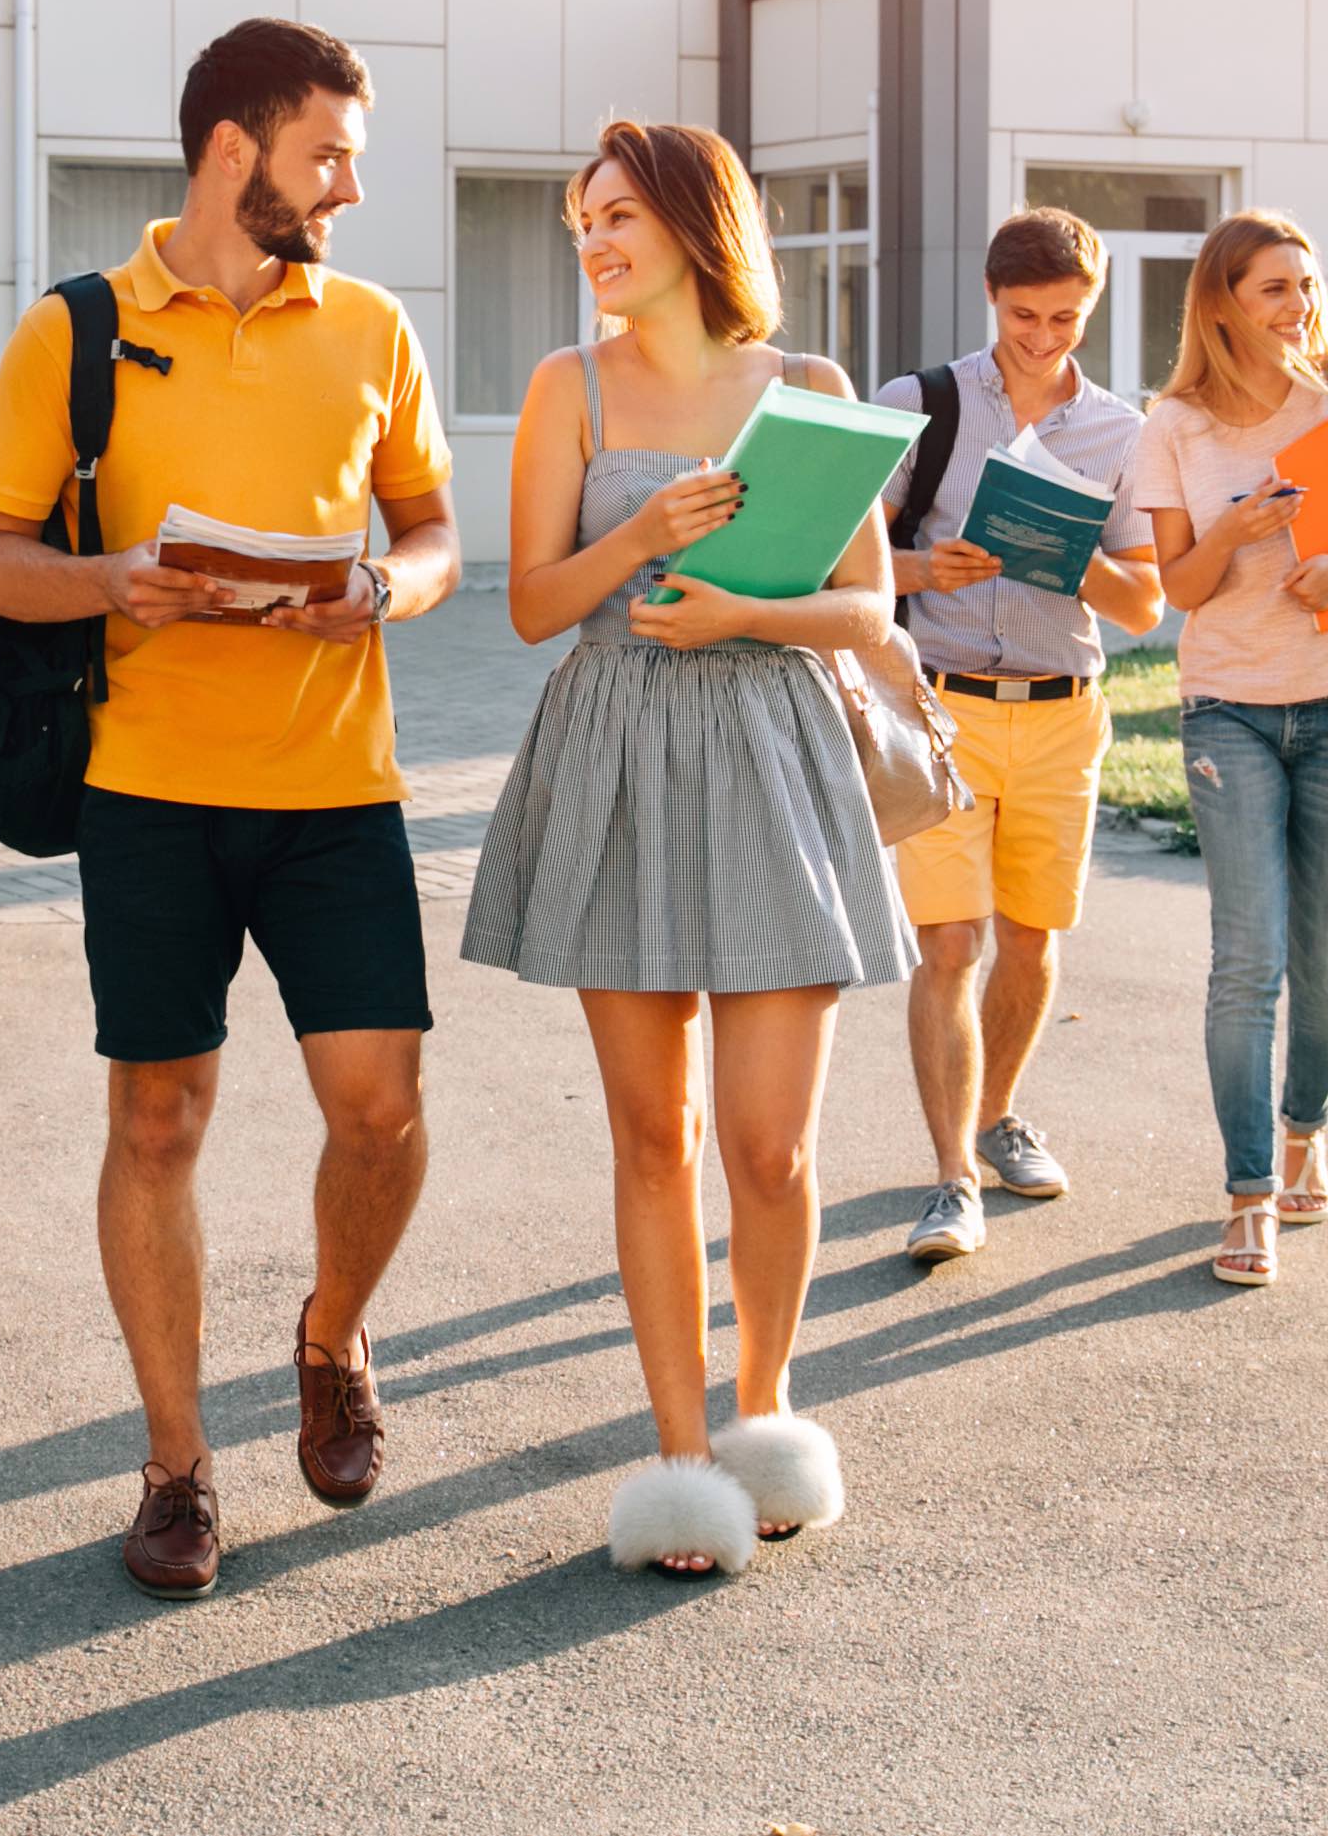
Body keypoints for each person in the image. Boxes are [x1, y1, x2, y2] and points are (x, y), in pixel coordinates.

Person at [0, 17, 462, 1601]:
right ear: (234, 149)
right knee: (158, 1119)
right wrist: (111, 580)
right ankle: (176, 1467)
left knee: (378, 1110)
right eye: (330, 154)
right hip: (150, 793)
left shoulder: (373, 328)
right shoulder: (78, 330)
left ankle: (331, 1336)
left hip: (337, 791)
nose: (349, 187)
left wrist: (383, 585)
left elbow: (435, 530)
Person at [463, 119, 909, 1580]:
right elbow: (532, 604)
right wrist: (643, 529)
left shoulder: (813, 389)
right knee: (654, 1136)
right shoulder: (564, 386)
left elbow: (870, 612)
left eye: (613, 217)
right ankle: (671, 1452)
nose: (591, 243)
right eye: (578, 221)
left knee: (771, 1147)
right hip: (623, 753)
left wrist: (746, 615)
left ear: (691, 220)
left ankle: (767, 1418)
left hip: (776, 752)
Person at [1130, 211, 1328, 1291]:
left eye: (1305, 284)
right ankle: (1248, 1192)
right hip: (1228, 708)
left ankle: (1307, 1126)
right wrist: (1242, 528)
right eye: (1273, 288)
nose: (1298, 305)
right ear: (1220, 300)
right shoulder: (1171, 421)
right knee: (1244, 958)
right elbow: (1173, 587)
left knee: (1323, 948)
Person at [872, 208, 1167, 1264]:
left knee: (1032, 937)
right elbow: (834, 554)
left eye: (1065, 317)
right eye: (1023, 314)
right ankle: (952, 1178)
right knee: (950, 941)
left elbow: (1141, 605)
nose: (1043, 336)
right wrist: (924, 568)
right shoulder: (918, 404)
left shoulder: (1124, 433)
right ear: (989, 298)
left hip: (1062, 710)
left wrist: (1066, 554)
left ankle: (997, 1112)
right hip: (939, 708)